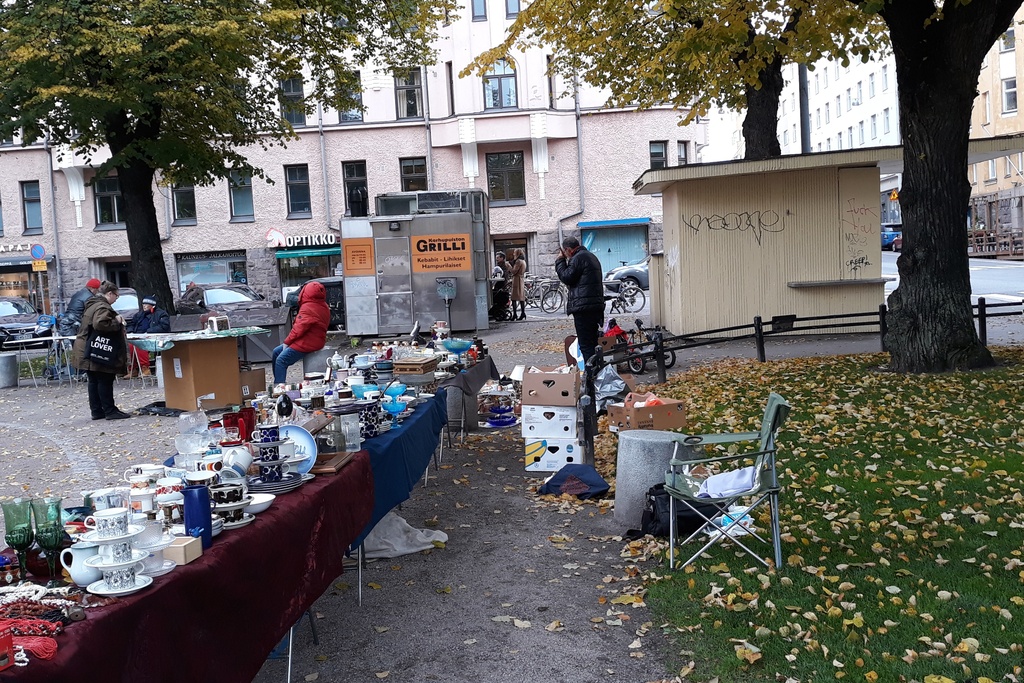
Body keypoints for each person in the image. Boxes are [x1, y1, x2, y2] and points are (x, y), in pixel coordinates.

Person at [71, 281, 131, 420]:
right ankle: (110, 410)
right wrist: (117, 320)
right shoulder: (102, 306)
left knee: (94, 380)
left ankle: (97, 411)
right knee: (104, 379)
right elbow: (101, 324)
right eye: (116, 296)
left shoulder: (92, 304)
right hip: (96, 349)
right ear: (109, 293)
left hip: (86, 347)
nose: (116, 299)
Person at [554, 236, 605, 365]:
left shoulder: (578, 258)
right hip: (594, 307)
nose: (565, 255)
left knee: (586, 345)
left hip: (583, 308)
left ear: (568, 250)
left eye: (565, 252)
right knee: (593, 343)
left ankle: (592, 378)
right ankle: (598, 371)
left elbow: (566, 277)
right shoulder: (590, 256)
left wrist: (560, 261)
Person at [272, 280, 330, 384]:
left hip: (308, 342)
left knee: (281, 360)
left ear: (305, 293)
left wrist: (287, 342)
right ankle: (278, 381)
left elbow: (298, 329)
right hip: (313, 339)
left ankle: (279, 387)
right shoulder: (322, 305)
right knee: (276, 352)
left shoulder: (308, 308)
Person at [125, 296, 171, 377]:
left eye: (146, 304)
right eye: (143, 304)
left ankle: (145, 368)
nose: (144, 306)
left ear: (152, 305)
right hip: (137, 336)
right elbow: (132, 324)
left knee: (140, 345)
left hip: (153, 338)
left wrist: (149, 331)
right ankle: (133, 369)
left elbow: (164, 326)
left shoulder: (161, 314)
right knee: (129, 346)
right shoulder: (139, 315)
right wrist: (130, 330)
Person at [508, 248, 527, 320]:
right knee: (521, 297)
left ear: (517, 253)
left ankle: (515, 314)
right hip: (521, 279)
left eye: (514, 252)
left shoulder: (518, 261)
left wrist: (509, 266)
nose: (513, 254)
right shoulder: (523, 261)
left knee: (514, 298)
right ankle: (522, 313)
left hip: (517, 279)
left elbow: (513, 271)